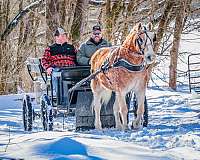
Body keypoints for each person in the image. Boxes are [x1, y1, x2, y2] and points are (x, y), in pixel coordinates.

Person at [41, 27, 77, 99]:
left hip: (72, 70)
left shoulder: (71, 47)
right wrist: (48, 68)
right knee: (57, 75)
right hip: (58, 70)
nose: (64, 37)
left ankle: (76, 98)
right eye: (62, 35)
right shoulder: (50, 49)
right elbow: (44, 60)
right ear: (57, 37)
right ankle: (63, 98)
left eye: (65, 35)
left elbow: (78, 58)